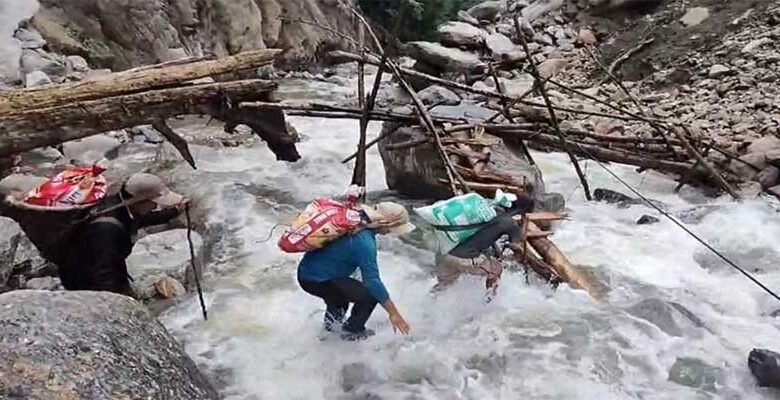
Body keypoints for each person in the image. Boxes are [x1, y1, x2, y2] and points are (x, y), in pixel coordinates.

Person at [297, 202, 415, 341]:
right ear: (385, 224)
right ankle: (351, 333)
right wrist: (394, 314)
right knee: (369, 296)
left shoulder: (354, 222)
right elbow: (372, 283)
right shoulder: (364, 243)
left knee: (339, 300)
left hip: (307, 272)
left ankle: (328, 335)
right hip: (317, 279)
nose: (391, 232)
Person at [58, 173, 189, 297]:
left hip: (95, 268)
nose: (156, 206)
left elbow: (143, 219)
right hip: (84, 282)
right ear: (140, 200)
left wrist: (176, 210)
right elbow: (104, 272)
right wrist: (121, 301)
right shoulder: (106, 229)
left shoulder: (120, 206)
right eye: (154, 202)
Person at [432, 192, 536, 296]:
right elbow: (517, 245)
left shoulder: (486, 209)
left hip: (443, 253)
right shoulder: (509, 223)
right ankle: (489, 302)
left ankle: (426, 305)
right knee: (496, 269)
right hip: (463, 257)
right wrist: (523, 227)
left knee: (443, 285)